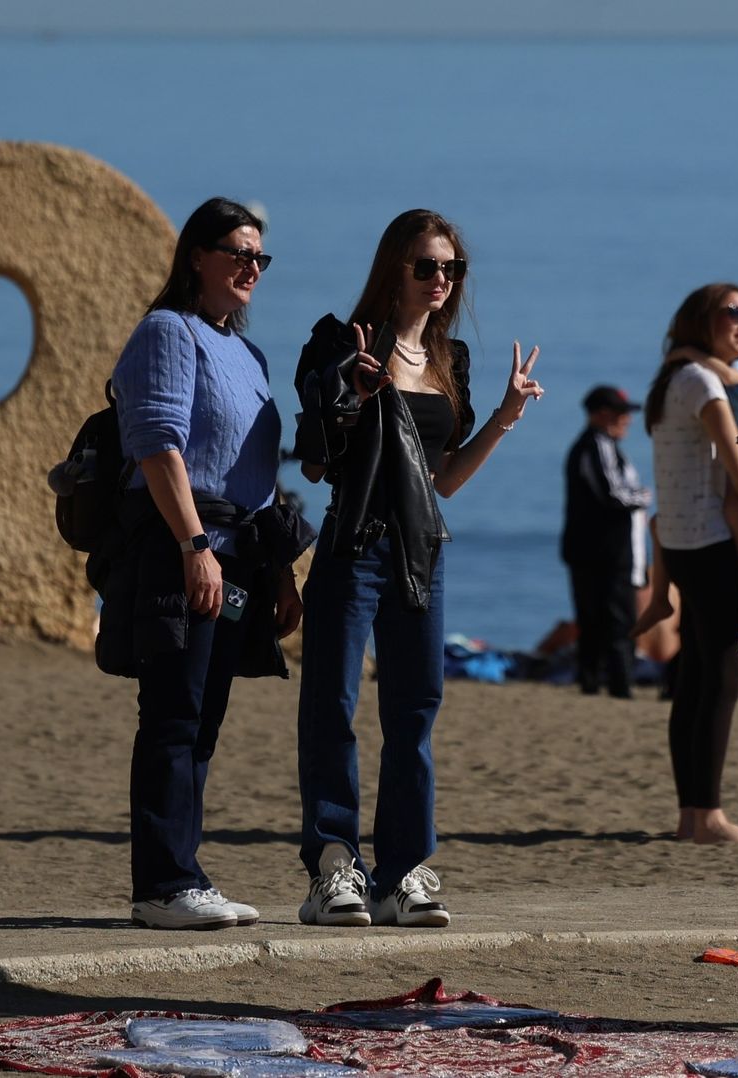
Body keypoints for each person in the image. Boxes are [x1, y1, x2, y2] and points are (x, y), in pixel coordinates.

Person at [294, 209, 543, 928]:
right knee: (333, 708)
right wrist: (353, 398)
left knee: (413, 713)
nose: (441, 280)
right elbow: (315, 458)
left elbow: (444, 482)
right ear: (393, 268)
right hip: (353, 544)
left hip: (421, 552)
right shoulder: (341, 343)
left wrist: (502, 416)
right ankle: (334, 867)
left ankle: (402, 875)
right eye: (426, 266)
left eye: (452, 269)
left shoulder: (449, 359)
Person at [107, 197, 310, 930]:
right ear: (197, 255)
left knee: (204, 722)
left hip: (237, 559)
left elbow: (254, 477)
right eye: (238, 252)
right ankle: (162, 885)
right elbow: (158, 446)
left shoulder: (246, 352)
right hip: (181, 551)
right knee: (172, 716)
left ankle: (182, 876)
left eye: (260, 256)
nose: (251, 266)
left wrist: (281, 573)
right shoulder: (168, 332)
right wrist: (194, 547)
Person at [641, 283, 738, 844]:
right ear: (702, 321)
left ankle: (691, 813)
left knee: (694, 679)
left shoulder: (673, 378)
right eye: (732, 313)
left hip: (682, 542)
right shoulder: (701, 381)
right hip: (713, 542)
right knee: (718, 679)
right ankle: (707, 816)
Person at [561, 385, 652, 698]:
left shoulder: (607, 446)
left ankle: (599, 681)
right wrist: (642, 497)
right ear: (601, 415)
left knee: (604, 618)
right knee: (613, 618)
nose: (627, 420)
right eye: (621, 414)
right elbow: (612, 495)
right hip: (602, 552)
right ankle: (617, 684)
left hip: (600, 551)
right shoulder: (594, 446)